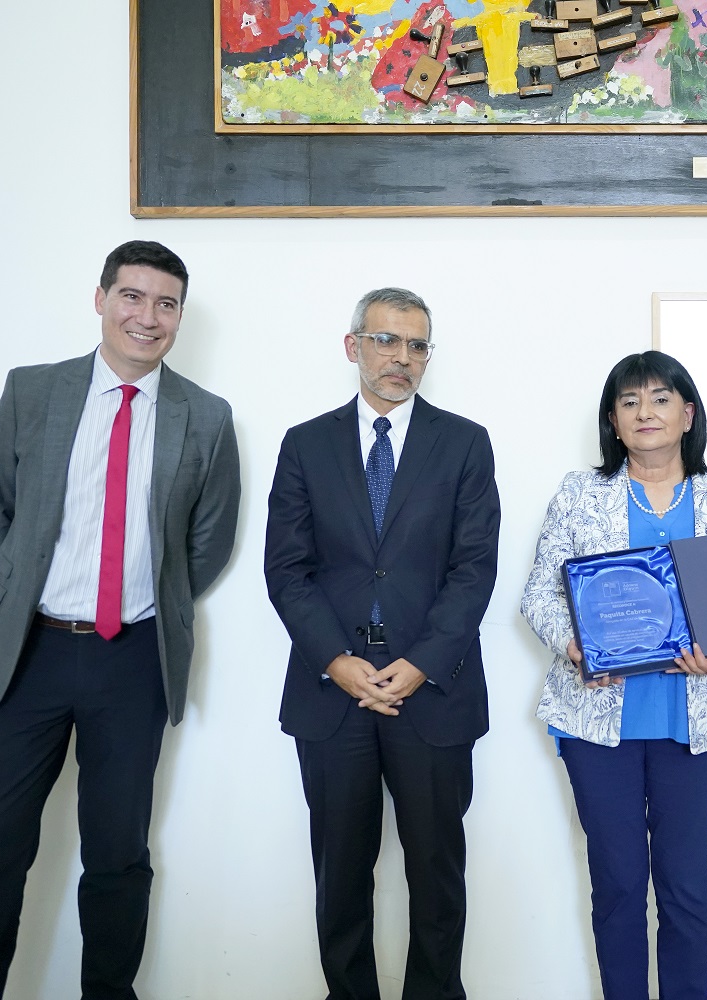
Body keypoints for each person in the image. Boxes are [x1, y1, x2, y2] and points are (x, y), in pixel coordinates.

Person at [0, 240, 242, 1000]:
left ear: (178, 316)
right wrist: (25, 589)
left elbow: (207, 542)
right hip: (27, 654)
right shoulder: (32, 393)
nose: (147, 317)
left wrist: (144, 606)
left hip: (132, 659)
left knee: (117, 856)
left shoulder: (205, 418)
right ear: (102, 298)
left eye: (165, 303)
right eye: (132, 297)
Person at [265, 287, 500, 1000]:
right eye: (386, 341)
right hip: (331, 693)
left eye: (417, 345)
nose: (402, 358)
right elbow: (286, 568)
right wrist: (337, 662)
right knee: (340, 874)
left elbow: (473, 569)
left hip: (431, 692)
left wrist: (422, 662)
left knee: (436, 873)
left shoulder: (464, 442)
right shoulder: (305, 444)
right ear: (353, 347)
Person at [520, 351, 707, 1000]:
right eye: (629, 402)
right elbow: (540, 594)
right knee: (619, 883)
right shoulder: (581, 494)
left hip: (693, 722)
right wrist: (576, 648)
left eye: (660, 399)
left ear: (687, 414)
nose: (645, 412)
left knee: (686, 887)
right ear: (613, 422)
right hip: (599, 724)